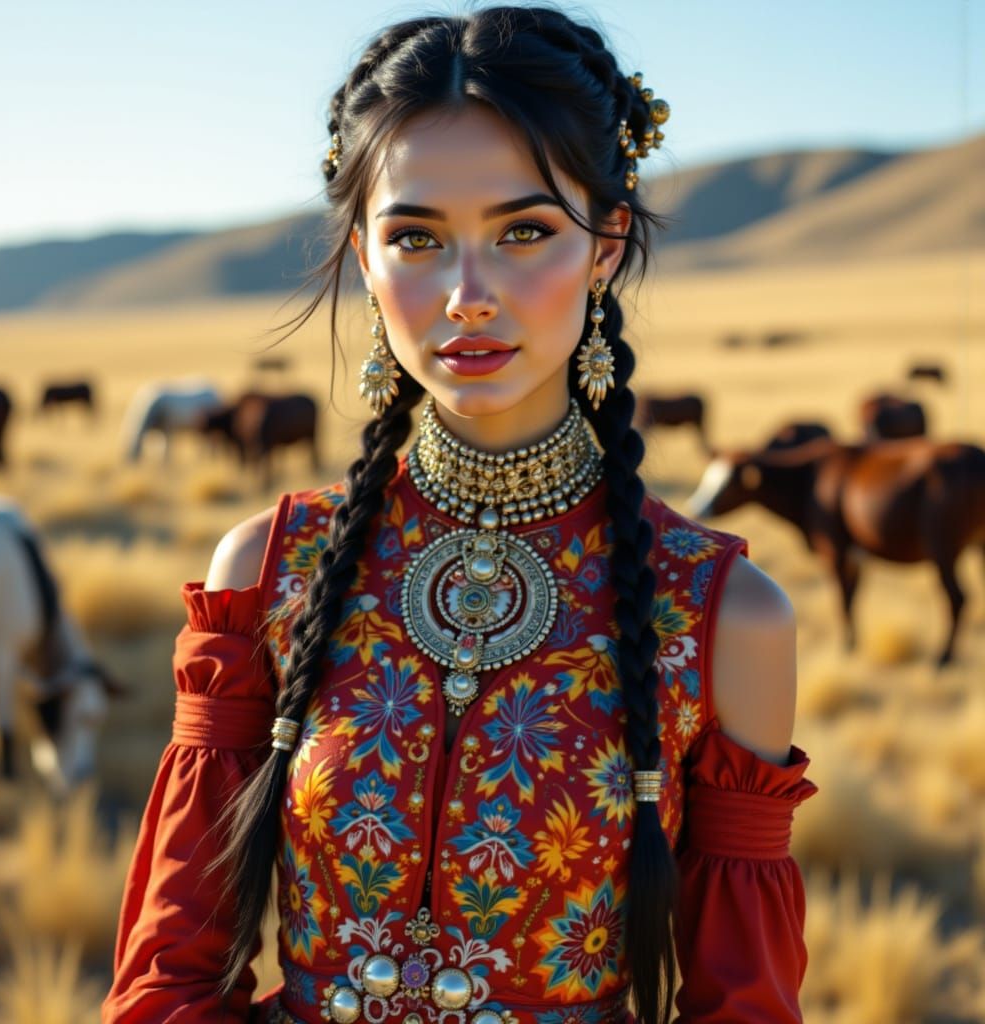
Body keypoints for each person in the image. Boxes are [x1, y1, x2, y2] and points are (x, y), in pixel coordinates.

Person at [103, 8, 817, 1023]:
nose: (466, 293)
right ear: (365, 254)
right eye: (417, 238)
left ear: (606, 245)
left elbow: (739, 1003)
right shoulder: (267, 570)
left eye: (524, 231)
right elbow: (169, 977)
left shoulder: (721, 612)